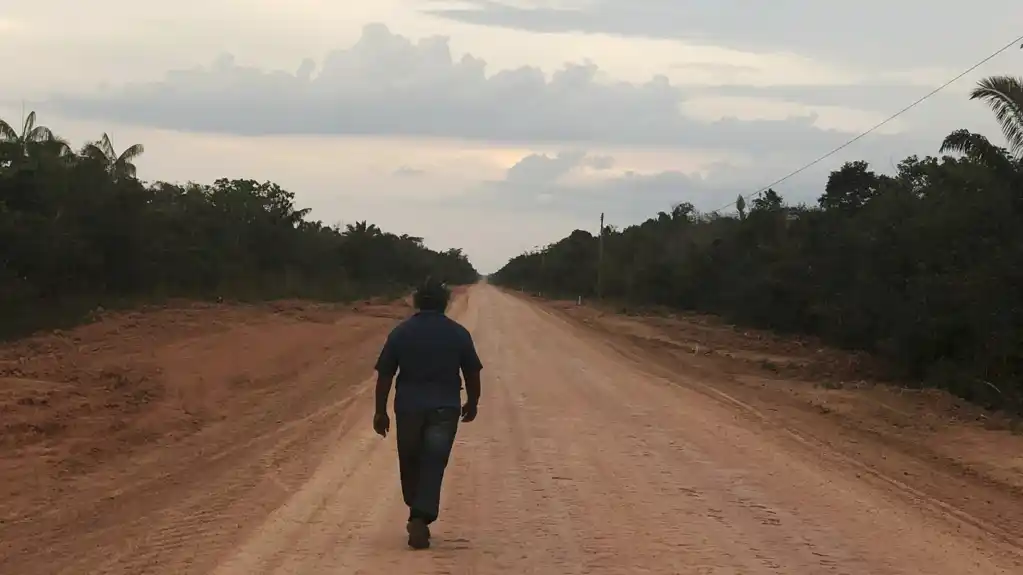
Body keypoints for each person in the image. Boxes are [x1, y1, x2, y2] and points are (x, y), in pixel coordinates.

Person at [372, 278, 483, 550]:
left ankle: (417, 509)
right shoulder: (458, 333)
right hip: (445, 408)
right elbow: (472, 371)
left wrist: (380, 412)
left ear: (417, 302)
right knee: (434, 461)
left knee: (410, 459)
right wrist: (473, 401)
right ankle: (420, 515)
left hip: (408, 407)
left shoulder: (400, 333)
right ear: (445, 303)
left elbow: (385, 374)